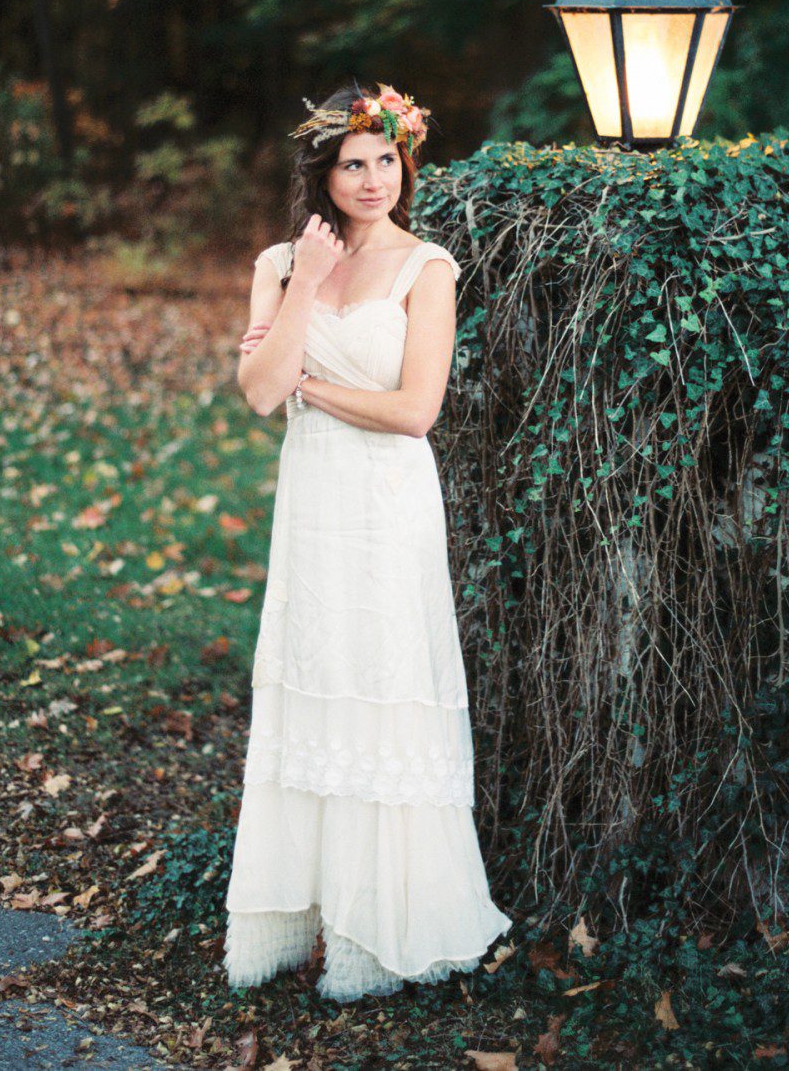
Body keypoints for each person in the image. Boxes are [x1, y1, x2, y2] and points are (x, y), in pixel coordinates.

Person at [223, 80, 512, 1000]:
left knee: (380, 681)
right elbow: (260, 391)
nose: (374, 178)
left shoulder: (427, 266)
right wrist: (305, 285)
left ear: (405, 163)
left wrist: (314, 383)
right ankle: (296, 913)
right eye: (354, 163)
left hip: (387, 508)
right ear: (323, 172)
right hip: (312, 504)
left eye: (387, 160)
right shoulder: (281, 262)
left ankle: (380, 931)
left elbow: (414, 410)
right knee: (314, 672)